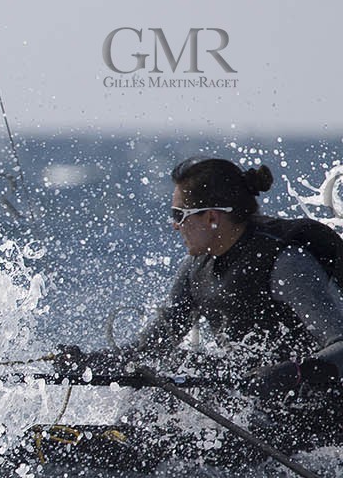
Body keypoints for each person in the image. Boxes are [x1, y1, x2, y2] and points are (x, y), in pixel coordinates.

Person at [85, 158, 343, 449]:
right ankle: (123, 447)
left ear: (211, 217)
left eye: (179, 214)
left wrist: (296, 371)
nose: (174, 225)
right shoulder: (196, 268)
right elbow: (152, 346)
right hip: (255, 409)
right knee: (172, 368)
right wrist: (90, 362)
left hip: (315, 424)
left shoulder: (285, 263)